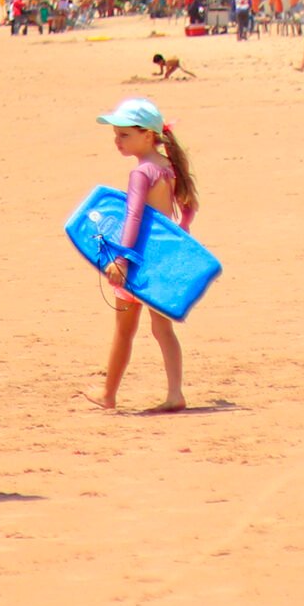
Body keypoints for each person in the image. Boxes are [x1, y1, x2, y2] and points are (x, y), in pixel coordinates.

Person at [83, 97, 199, 414]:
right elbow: (188, 206)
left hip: (137, 261)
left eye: (124, 135)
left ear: (148, 135)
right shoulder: (169, 167)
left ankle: (108, 393)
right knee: (162, 328)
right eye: (116, 136)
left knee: (124, 328)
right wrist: (182, 230)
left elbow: (133, 217)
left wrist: (121, 259)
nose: (117, 142)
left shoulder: (142, 173)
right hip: (163, 258)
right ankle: (175, 392)